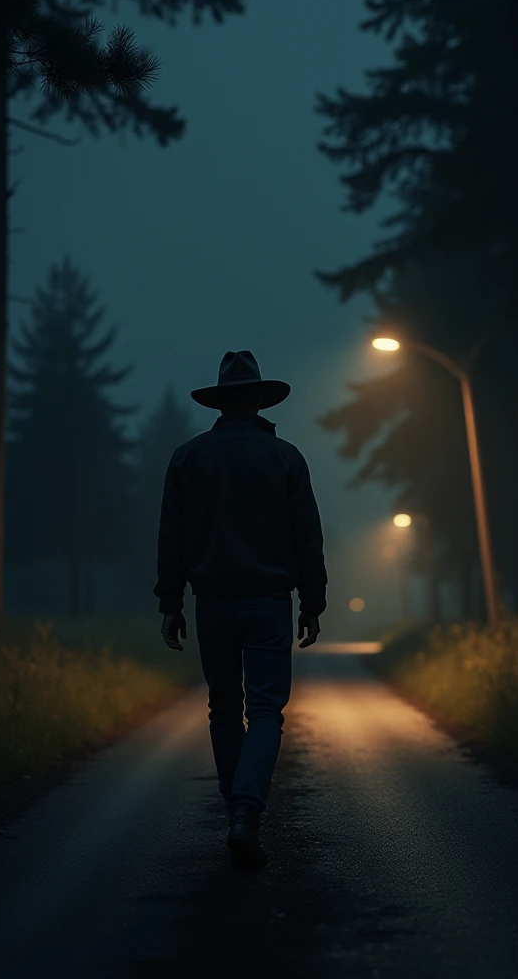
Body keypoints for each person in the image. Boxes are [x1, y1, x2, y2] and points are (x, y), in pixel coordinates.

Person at [154, 350, 327, 869]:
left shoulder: (187, 458)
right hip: (269, 603)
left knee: (223, 708)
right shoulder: (286, 458)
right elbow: (307, 539)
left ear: (221, 402)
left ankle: (237, 809)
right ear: (257, 400)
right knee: (267, 710)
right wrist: (312, 604)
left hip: (212, 604)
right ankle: (246, 815)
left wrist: (170, 603)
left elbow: (172, 540)